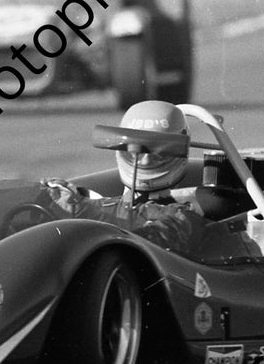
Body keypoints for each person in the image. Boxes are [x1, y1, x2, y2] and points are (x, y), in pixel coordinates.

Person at [41, 100, 207, 254]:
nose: (145, 160)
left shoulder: (186, 216)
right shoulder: (92, 201)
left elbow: (150, 239)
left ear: (178, 152)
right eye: (135, 152)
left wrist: (82, 208)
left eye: (159, 154)